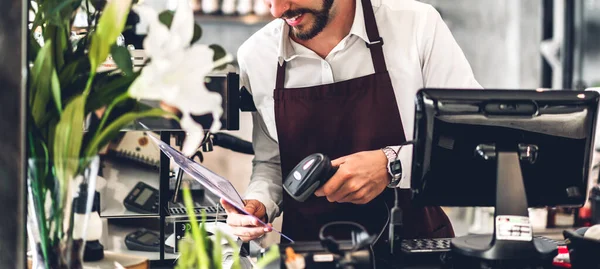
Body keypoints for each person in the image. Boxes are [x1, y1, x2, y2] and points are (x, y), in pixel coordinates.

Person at [220, 0, 481, 258]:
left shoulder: (416, 24)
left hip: (414, 250)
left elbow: (470, 137)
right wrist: (258, 204)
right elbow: (273, 162)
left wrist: (391, 164)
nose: (278, 11)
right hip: (311, 256)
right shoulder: (256, 56)